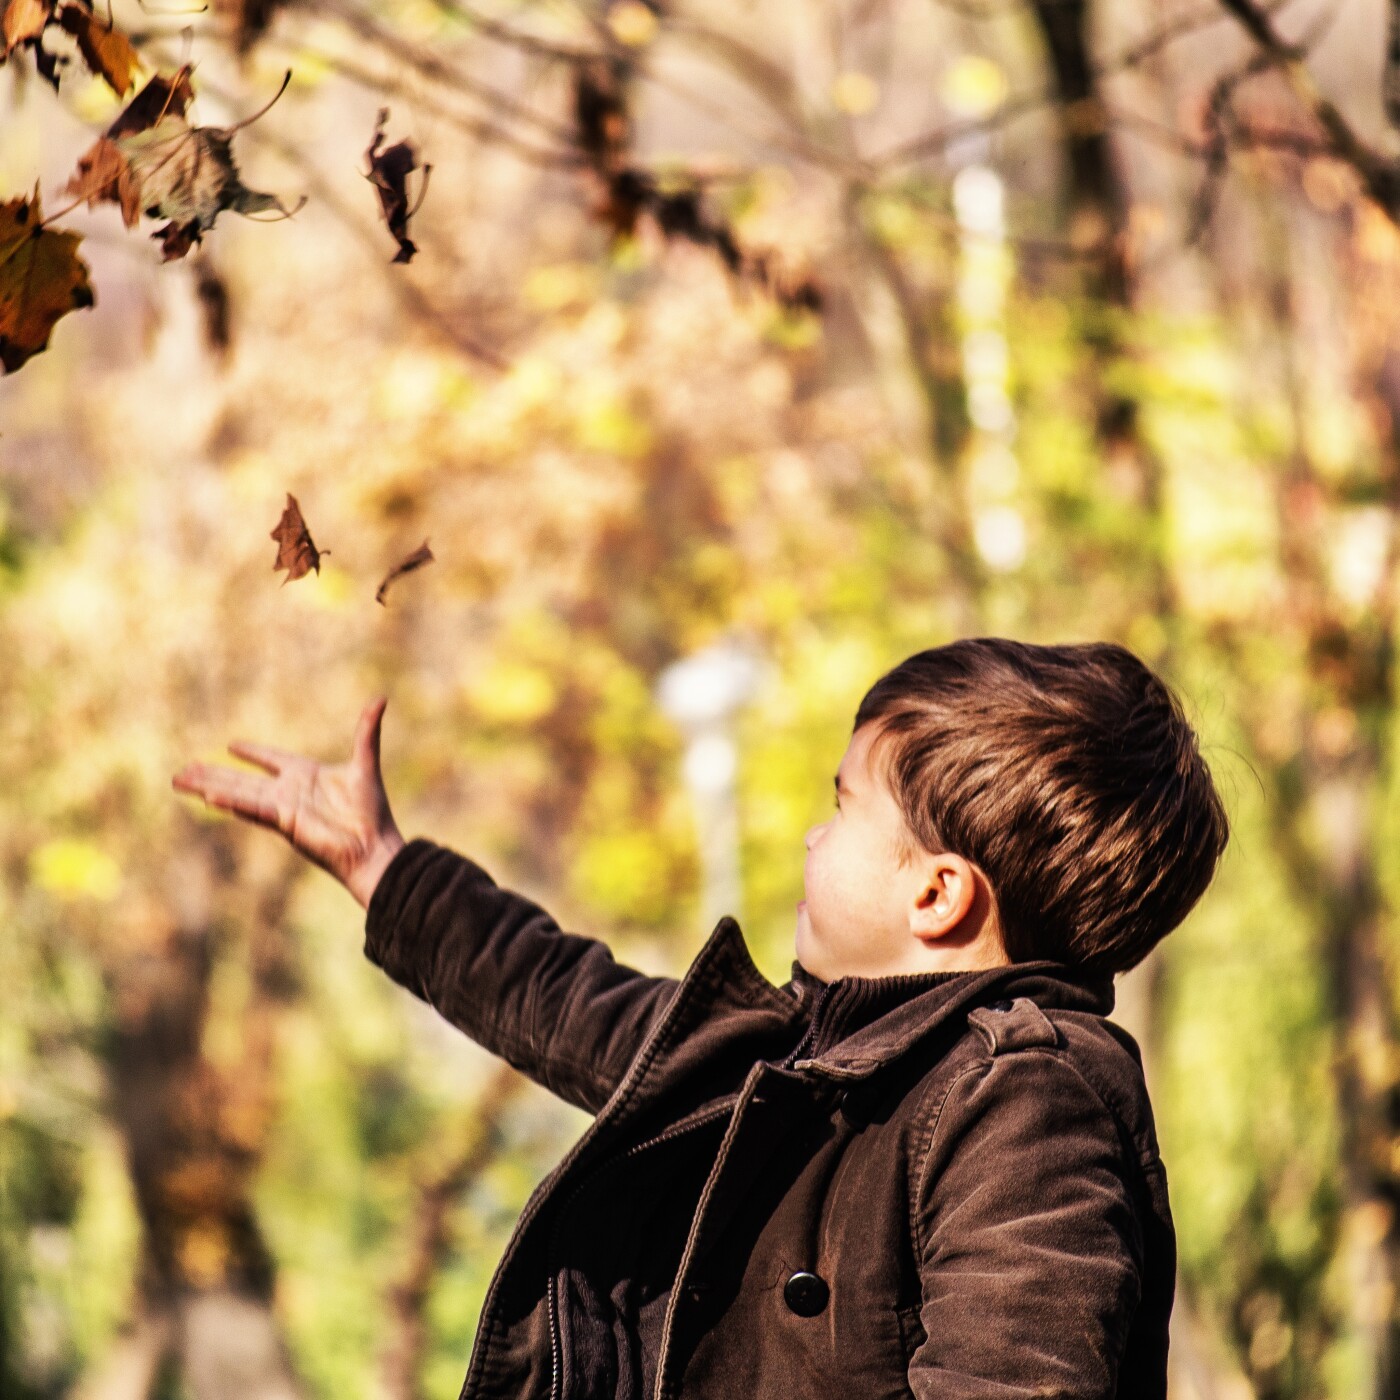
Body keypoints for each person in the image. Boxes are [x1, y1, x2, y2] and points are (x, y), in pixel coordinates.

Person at [172, 637, 1229, 1400]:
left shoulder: (1024, 1096)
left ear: (936, 894)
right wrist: (381, 867)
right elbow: (565, 999)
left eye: (842, 807)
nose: (811, 839)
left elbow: (1017, 1375)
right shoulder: (800, 1058)